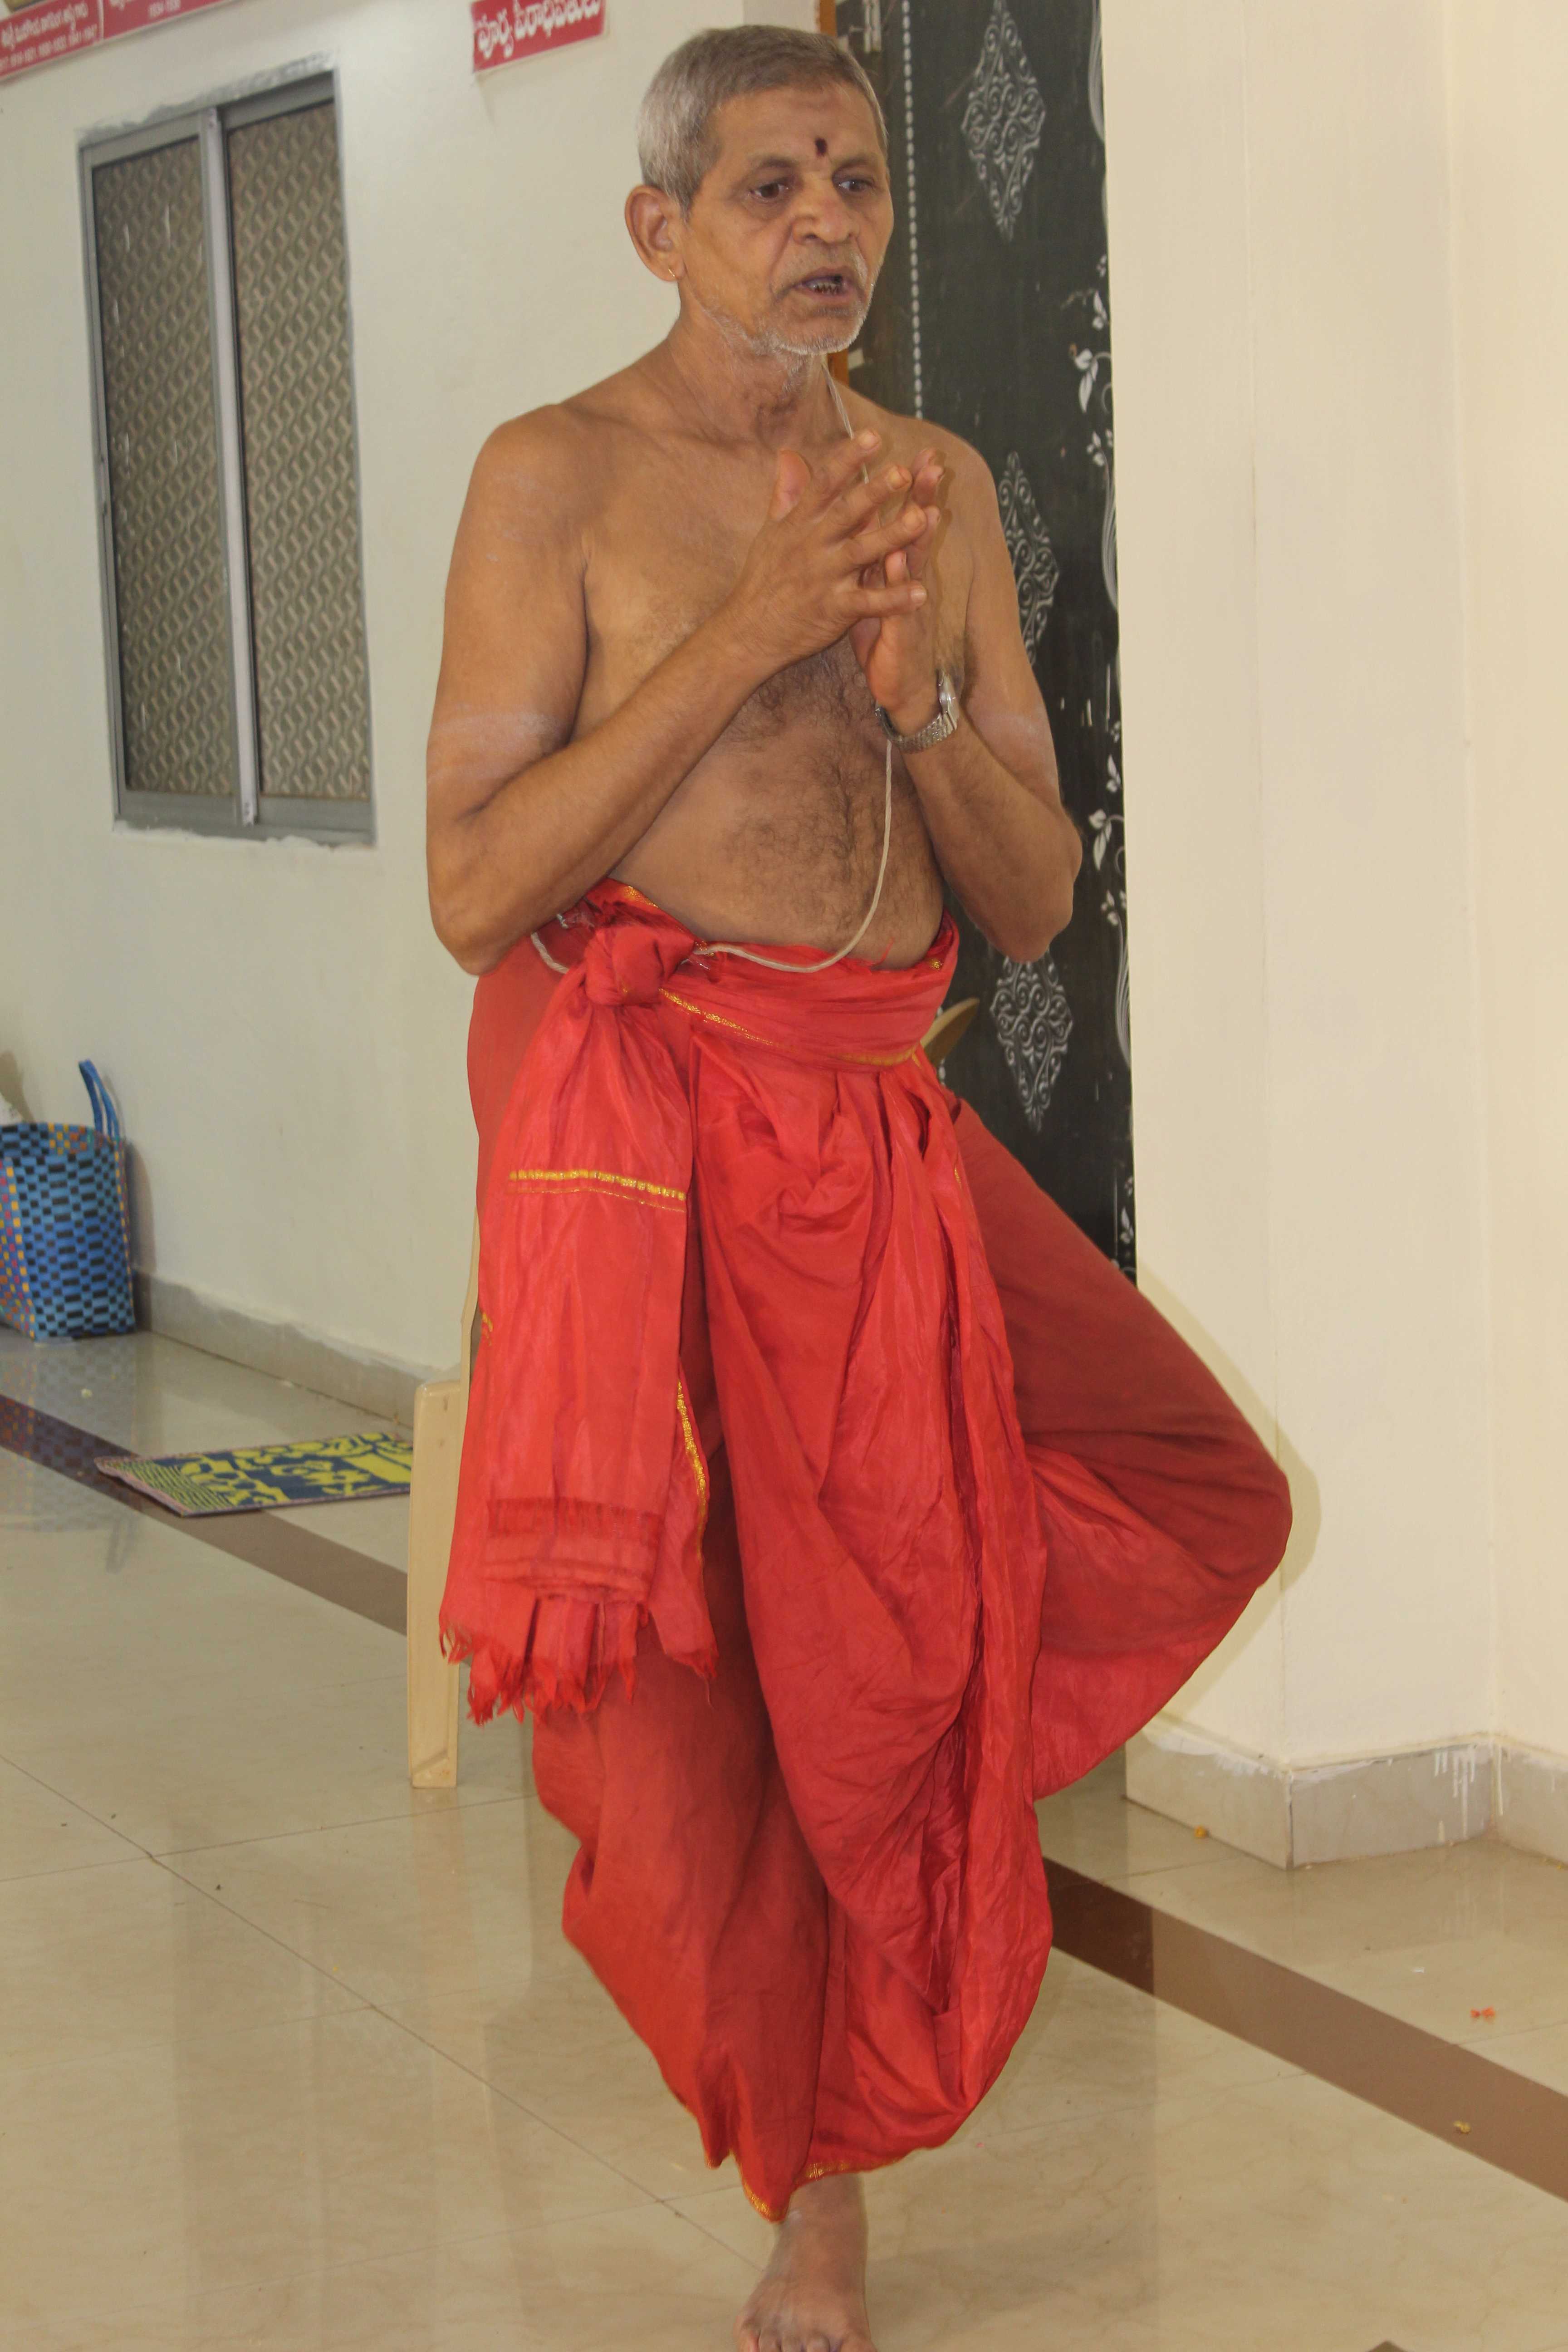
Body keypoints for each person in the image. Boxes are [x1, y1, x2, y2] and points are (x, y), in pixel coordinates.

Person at [426, 29, 1291, 2352]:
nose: (828, 225)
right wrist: (749, 634)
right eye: (770, 188)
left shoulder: (940, 486)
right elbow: (477, 884)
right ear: (660, 227)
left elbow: (1033, 897)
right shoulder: (553, 480)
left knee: (1173, 1491)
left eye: (860, 184)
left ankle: (937, 1782)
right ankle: (821, 2206)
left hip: (880, 1130)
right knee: (742, 1705)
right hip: (665, 1157)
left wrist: (907, 699)